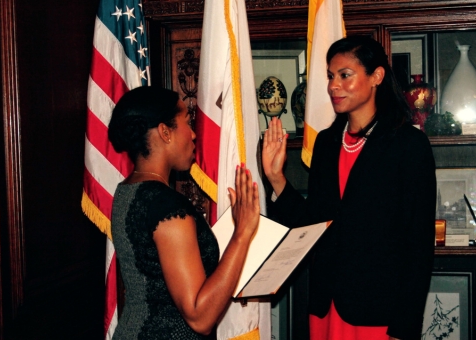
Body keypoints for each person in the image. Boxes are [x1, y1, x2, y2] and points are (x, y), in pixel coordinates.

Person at [262, 36, 436, 340]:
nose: (332, 85)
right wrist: (276, 177)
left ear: (376, 77)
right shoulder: (327, 143)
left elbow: (418, 245)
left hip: (379, 313)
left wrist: (405, 325)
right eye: (330, 76)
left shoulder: (408, 144)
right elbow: (313, 224)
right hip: (326, 308)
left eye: (345, 75)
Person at [108, 86, 261, 339]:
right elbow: (200, 317)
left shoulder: (126, 190)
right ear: (165, 132)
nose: (193, 134)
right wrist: (242, 234)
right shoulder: (167, 206)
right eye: (187, 123)